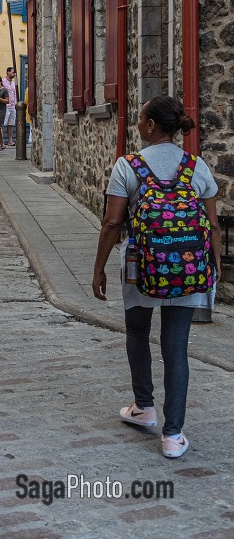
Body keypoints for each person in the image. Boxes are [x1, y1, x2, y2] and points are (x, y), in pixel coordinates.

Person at [93, 96, 221, 460]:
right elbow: (211, 224)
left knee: (136, 331)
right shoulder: (196, 167)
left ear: (150, 126)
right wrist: (214, 266)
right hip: (187, 266)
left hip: (139, 267)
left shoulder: (128, 166)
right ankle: (173, 434)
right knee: (175, 346)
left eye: (139, 118)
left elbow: (113, 222)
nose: (136, 123)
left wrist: (99, 267)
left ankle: (144, 407)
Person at [2, 67, 18, 147]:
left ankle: (10, 140)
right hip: (5, 105)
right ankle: (0, 141)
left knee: (10, 124)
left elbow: (14, 93)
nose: (13, 74)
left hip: (12, 106)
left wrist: (15, 102)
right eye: (12, 72)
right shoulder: (3, 81)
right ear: (8, 72)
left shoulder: (13, 82)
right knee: (3, 123)